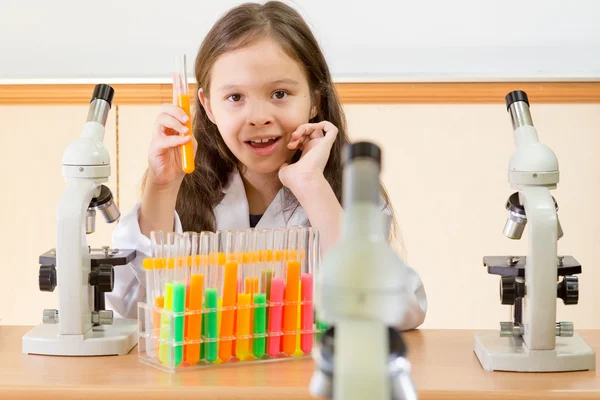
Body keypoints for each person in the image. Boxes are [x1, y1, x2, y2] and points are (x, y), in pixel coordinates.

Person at [109, 1, 427, 330]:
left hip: (307, 378)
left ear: (315, 100)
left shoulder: (344, 192)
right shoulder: (182, 187)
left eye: (279, 93)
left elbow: (400, 310)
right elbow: (134, 309)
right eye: (235, 98)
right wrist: (161, 188)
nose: (259, 117)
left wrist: (311, 186)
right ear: (208, 106)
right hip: (208, 379)